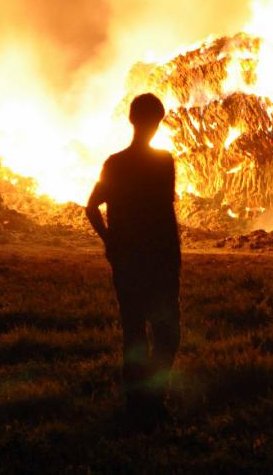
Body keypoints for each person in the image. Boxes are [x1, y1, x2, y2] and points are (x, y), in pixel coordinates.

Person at [85, 93, 181, 424]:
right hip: (159, 258)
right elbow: (164, 212)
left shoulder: (115, 163)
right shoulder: (164, 161)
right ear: (157, 122)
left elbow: (91, 206)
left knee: (134, 332)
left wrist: (111, 242)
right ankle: (153, 399)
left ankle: (137, 403)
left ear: (131, 119)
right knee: (167, 333)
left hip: (129, 261)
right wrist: (172, 253)